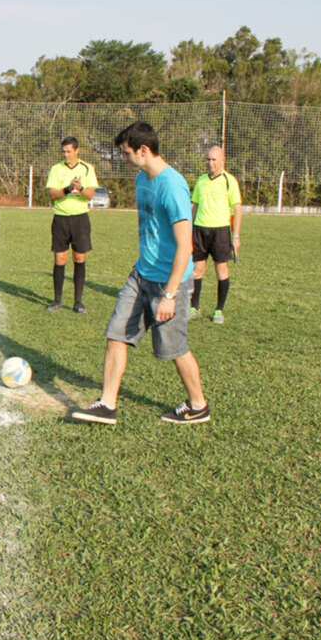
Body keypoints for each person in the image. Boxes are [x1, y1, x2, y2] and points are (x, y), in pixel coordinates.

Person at [71, 122, 209, 425]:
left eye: (126, 153)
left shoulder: (173, 186)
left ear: (143, 150)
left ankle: (198, 405)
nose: (124, 158)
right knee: (116, 334)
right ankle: (107, 404)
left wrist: (170, 295)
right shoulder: (140, 179)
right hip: (141, 273)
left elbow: (185, 246)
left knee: (174, 349)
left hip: (169, 281)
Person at [45, 136, 98, 314]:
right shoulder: (56, 169)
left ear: (77, 150)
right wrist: (67, 189)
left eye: (69, 151)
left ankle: (78, 301)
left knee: (79, 258)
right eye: (63, 151)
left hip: (80, 219)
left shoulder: (87, 168)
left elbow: (90, 195)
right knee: (60, 259)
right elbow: (52, 194)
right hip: (61, 218)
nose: (66, 155)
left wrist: (80, 188)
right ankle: (57, 300)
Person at [190, 145, 242, 324]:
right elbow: (195, 206)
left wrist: (236, 236)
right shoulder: (201, 180)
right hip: (199, 229)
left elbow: (237, 209)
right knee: (197, 270)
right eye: (208, 159)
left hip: (220, 231)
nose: (210, 163)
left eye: (214, 159)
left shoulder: (230, 181)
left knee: (221, 269)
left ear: (222, 160)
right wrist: (190, 229)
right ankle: (194, 307)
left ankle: (219, 310)